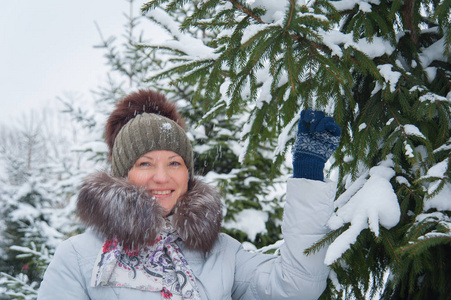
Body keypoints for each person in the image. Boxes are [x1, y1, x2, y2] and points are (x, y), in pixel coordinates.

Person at [38, 90, 341, 300]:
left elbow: (296, 287)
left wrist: (308, 173)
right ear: (122, 174)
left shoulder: (221, 253)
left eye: (174, 163)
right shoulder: (78, 257)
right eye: (145, 163)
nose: (162, 177)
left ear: (188, 173)